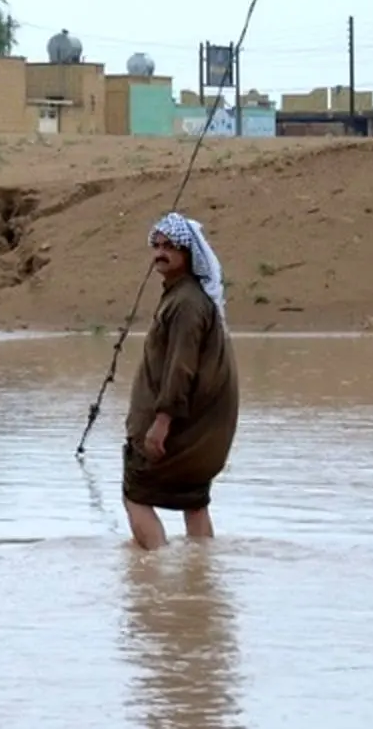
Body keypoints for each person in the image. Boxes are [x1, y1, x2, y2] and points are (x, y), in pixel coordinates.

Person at [122, 211, 239, 549]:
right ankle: (199, 573)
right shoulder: (185, 297)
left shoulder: (186, 303)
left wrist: (160, 423)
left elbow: (180, 368)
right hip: (199, 433)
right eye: (156, 245)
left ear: (189, 253)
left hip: (175, 428)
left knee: (136, 494)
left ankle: (153, 576)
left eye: (171, 245)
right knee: (194, 501)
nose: (161, 251)